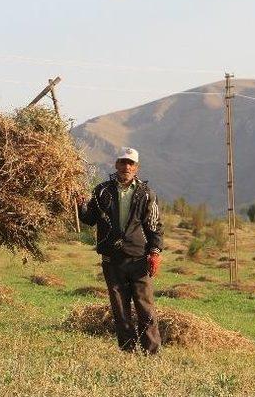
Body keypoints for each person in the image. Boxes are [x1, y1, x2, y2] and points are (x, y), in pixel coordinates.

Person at [78, 147, 164, 354]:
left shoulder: (146, 194)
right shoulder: (101, 191)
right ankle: (128, 351)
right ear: (116, 164)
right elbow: (90, 219)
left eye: (131, 163)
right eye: (123, 162)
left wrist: (155, 252)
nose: (126, 167)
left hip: (138, 258)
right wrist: (81, 205)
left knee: (145, 306)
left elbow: (154, 226)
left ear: (136, 168)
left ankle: (151, 351)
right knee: (119, 307)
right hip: (112, 258)